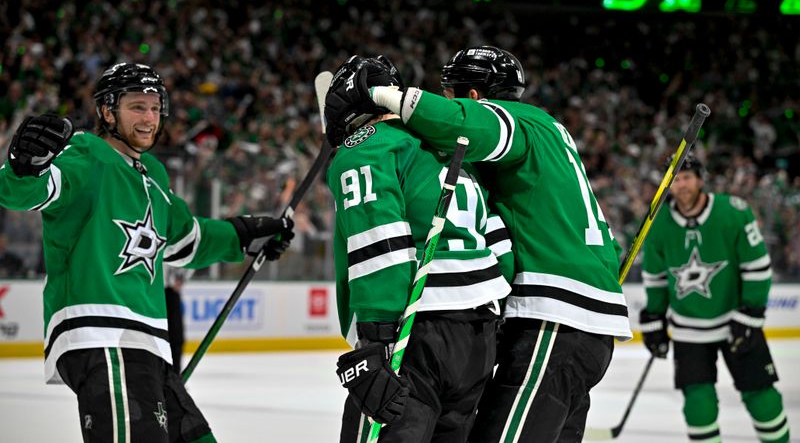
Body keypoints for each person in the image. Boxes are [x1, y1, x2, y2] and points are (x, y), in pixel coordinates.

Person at [336, 46, 631, 442]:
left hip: (553, 320)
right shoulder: (549, 131)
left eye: (451, 93)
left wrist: (387, 96)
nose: (447, 100)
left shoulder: (508, 121)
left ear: (474, 97)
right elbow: (504, 244)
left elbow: (463, 126)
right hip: (581, 327)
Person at [0, 62, 295, 443]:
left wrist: (246, 235)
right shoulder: (84, 155)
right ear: (107, 111)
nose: (149, 118)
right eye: (137, 107)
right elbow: (29, 191)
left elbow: (186, 239)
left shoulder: (152, 173)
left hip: (148, 342)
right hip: (103, 333)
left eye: (155, 108)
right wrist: (26, 167)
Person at [324, 56, 513, 442]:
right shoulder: (451, 151)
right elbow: (499, 245)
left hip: (415, 330)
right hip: (478, 336)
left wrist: (376, 340)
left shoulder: (366, 147)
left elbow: (379, 242)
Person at [640, 154, 790, 442]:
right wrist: (654, 318)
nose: (681, 185)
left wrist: (750, 312)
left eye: (687, 178)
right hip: (688, 328)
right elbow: (655, 278)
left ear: (700, 179)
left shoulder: (733, 212)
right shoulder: (657, 224)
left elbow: (757, 267)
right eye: (675, 180)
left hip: (735, 319)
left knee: (763, 399)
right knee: (698, 406)